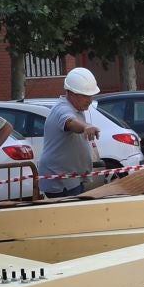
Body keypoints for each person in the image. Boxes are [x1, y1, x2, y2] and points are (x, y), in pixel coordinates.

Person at [40, 66, 102, 198]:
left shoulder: (76, 108)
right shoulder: (62, 109)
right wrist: (85, 128)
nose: (90, 100)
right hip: (61, 182)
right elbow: (70, 122)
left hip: (70, 179)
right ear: (72, 93)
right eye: (86, 96)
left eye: (91, 96)